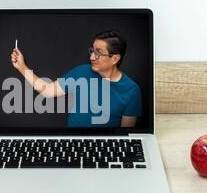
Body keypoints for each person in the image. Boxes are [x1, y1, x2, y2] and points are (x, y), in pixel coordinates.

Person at [10, 30, 142, 127]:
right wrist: (22, 67)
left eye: (98, 53)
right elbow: (47, 91)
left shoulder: (132, 90)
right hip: (73, 142)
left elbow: (126, 135)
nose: (92, 57)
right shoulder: (82, 71)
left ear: (115, 58)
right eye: (92, 51)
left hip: (104, 148)